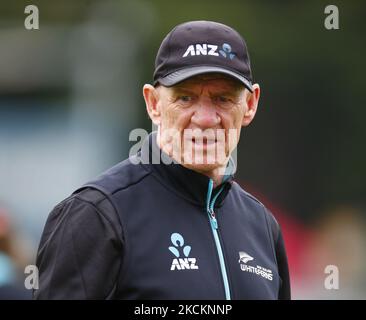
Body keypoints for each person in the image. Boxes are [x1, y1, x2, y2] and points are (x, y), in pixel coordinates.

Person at [34, 20, 290, 300]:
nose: (205, 118)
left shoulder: (262, 226)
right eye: (185, 98)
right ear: (153, 103)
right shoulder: (96, 215)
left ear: (250, 105)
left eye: (223, 99)